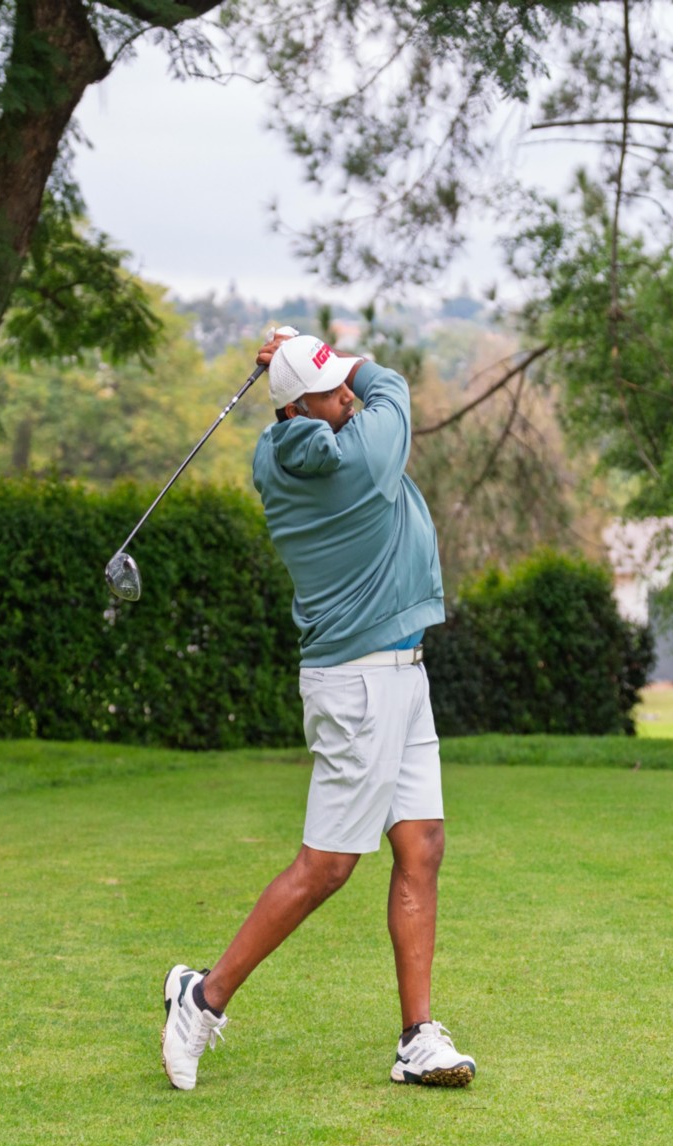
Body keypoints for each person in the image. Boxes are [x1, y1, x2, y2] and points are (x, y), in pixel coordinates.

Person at [160, 330, 475, 1091]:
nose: (348, 396)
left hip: (400, 674)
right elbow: (390, 383)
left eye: (342, 387)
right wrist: (324, 350)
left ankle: (417, 1037)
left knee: (421, 844)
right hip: (360, 685)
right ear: (308, 409)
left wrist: (304, 361)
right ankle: (201, 998)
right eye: (333, 393)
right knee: (328, 866)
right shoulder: (360, 457)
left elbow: (329, 403)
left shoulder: (276, 454)